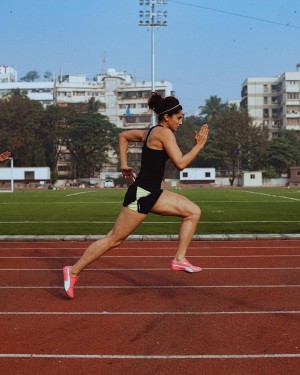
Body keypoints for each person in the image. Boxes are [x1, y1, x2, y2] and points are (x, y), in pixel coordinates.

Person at [63, 92, 209, 299]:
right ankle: (73, 270)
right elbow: (181, 163)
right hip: (142, 194)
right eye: (179, 117)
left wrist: (124, 164)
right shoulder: (164, 134)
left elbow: (123, 136)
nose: (182, 122)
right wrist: (199, 145)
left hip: (152, 192)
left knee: (193, 212)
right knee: (114, 239)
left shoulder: (150, 132)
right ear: (167, 117)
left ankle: (179, 259)